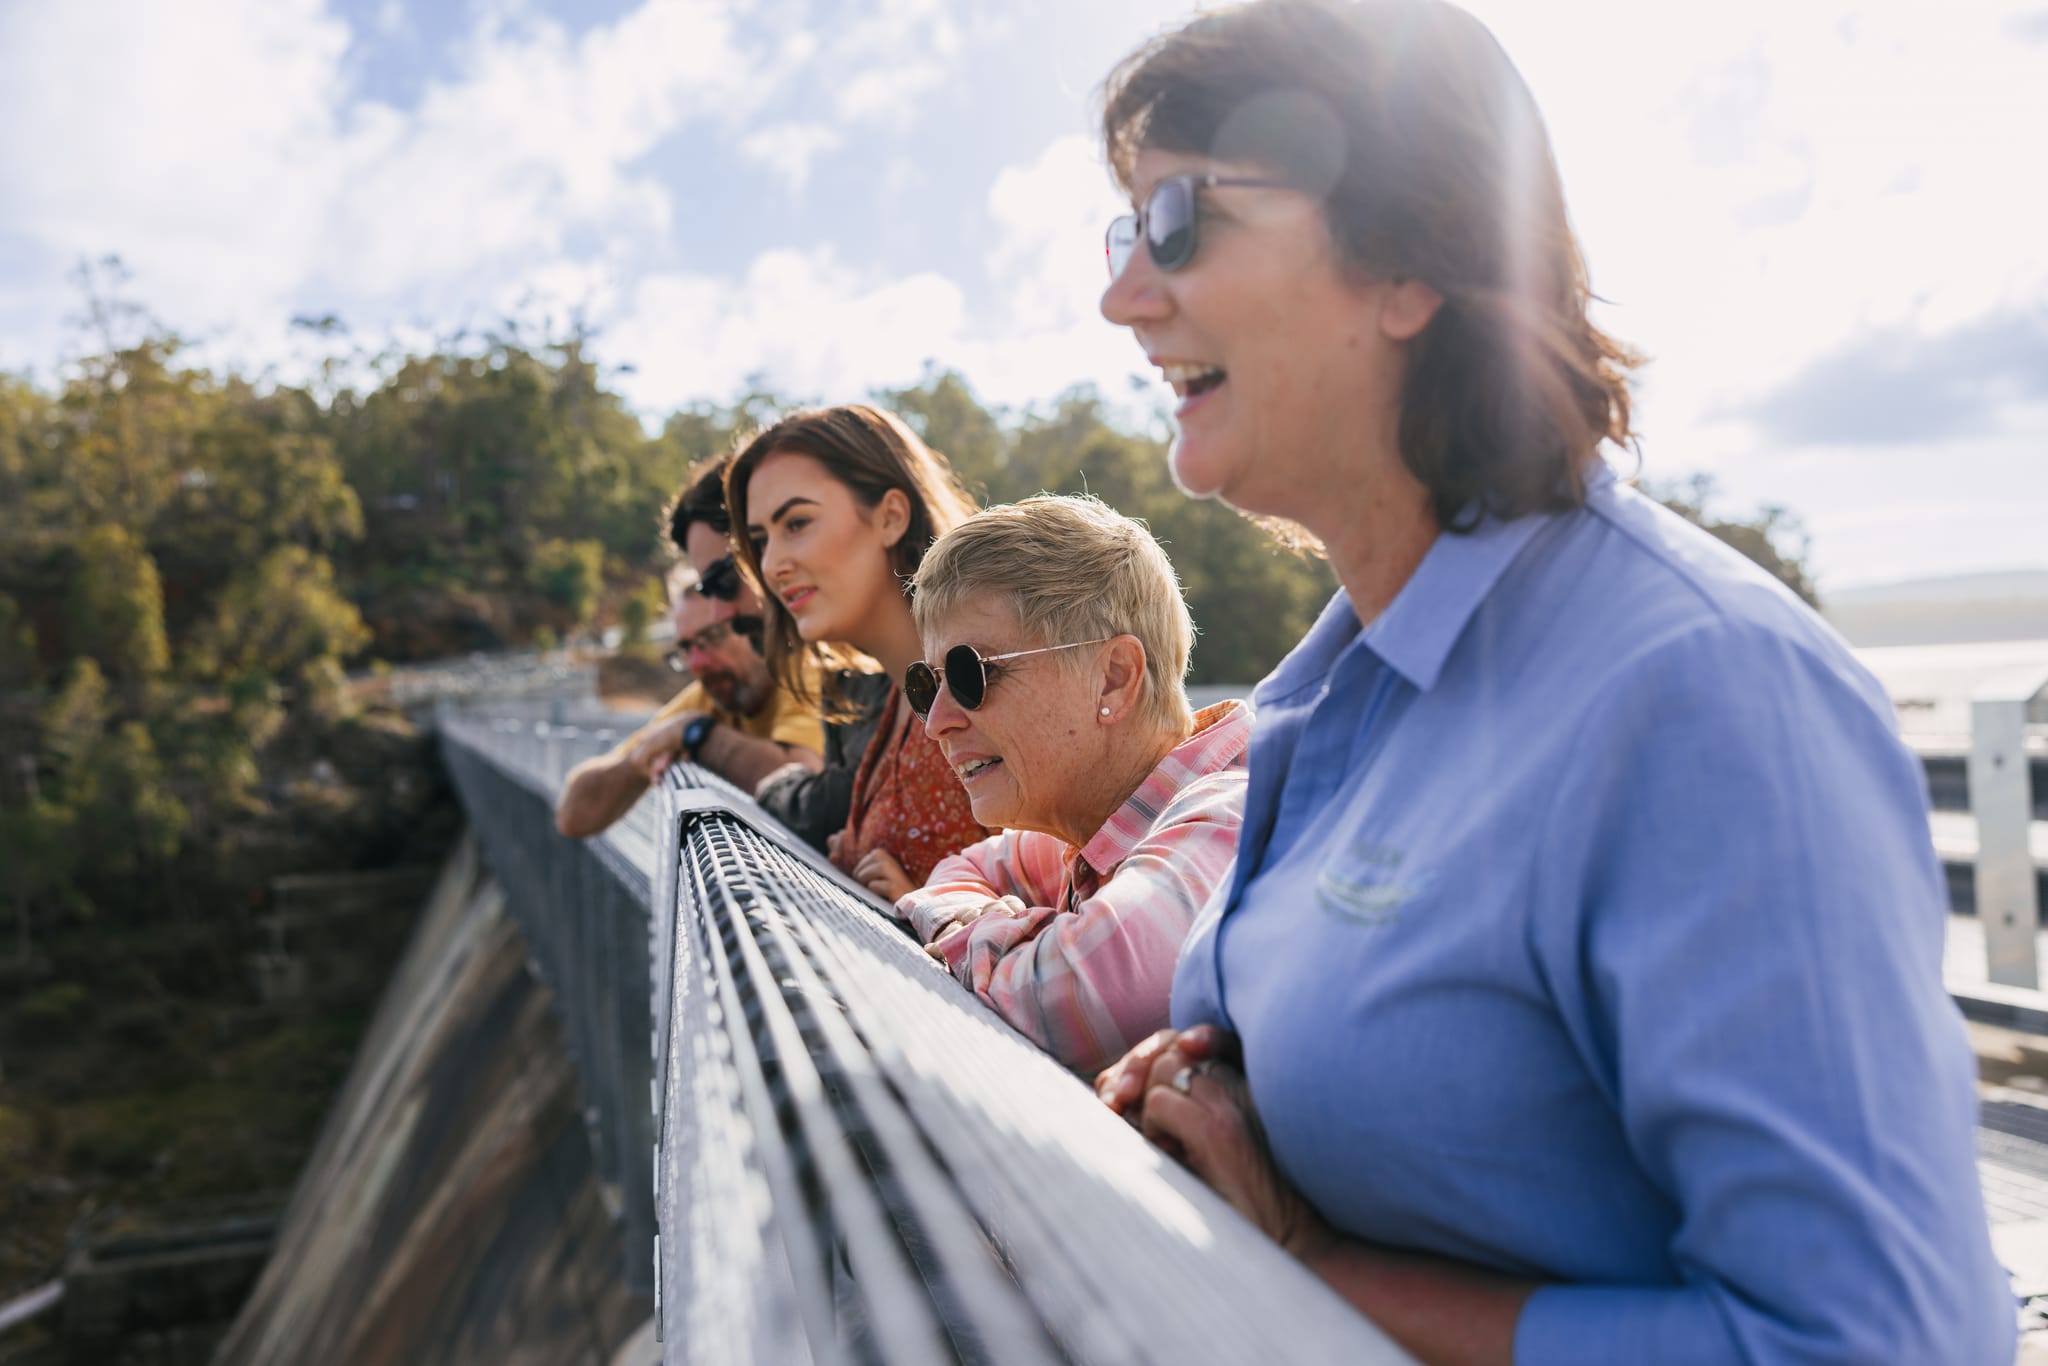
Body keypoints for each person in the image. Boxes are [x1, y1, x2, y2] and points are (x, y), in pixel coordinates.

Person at [1087, 2, 2012, 1363]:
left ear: (1412, 256)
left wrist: (1310, 1266)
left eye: (1179, 218)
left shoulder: (1701, 691)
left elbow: (1882, 1343)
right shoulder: (1342, 692)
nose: (1124, 294)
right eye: (1125, 231)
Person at [893, 495, 1249, 1076]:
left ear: (1113, 679)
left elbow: (1086, 995)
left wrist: (970, 931)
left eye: (970, 674)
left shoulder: (1230, 810)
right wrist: (992, 928)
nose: (936, 722)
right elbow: (961, 873)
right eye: (925, 684)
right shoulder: (1105, 821)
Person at [726, 404, 992, 897]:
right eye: (760, 540)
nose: (772, 564)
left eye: (797, 523)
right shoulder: (899, 700)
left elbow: (1075, 894)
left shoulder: (988, 686)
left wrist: (932, 910)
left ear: (890, 517)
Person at [666, 455, 887, 852]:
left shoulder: (899, 665)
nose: (721, 614)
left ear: (888, 517)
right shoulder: (841, 667)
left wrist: (696, 736)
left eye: (725, 580)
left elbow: (836, 808)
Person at [553, 556, 824, 839]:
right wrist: (637, 761)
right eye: (686, 648)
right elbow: (572, 819)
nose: (697, 662)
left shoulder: (805, 673)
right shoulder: (707, 697)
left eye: (712, 637)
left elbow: (801, 790)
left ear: (751, 624)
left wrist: (697, 735)